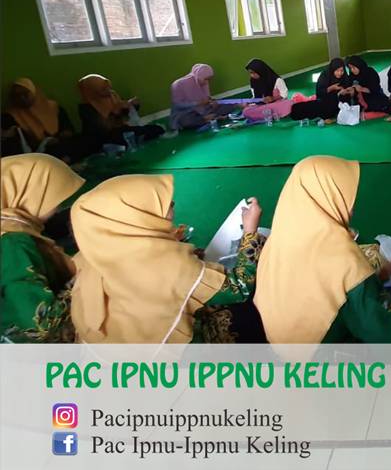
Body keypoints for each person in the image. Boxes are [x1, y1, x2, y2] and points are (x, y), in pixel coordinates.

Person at [254, 156, 391, 343]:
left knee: (372, 260)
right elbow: (387, 334)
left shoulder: (280, 234)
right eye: (342, 197)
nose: (352, 208)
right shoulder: (345, 262)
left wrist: (379, 275)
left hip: (277, 340)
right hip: (316, 355)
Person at [70, 175, 265, 343]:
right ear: (136, 217)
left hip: (110, 353)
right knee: (248, 314)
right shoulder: (168, 265)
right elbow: (239, 288)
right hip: (157, 362)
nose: (171, 203)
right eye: (155, 204)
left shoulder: (94, 253)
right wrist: (250, 231)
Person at [1, 154, 85, 342]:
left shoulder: (14, 230)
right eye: (54, 198)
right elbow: (40, 323)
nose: (59, 207)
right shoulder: (14, 243)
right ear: (28, 196)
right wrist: (84, 281)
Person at [3, 78, 95, 163]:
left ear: (34, 93)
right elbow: (19, 142)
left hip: (60, 142)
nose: (22, 98)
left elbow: (67, 128)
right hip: (37, 151)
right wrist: (44, 142)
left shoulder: (53, 107)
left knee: (84, 141)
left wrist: (63, 135)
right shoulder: (11, 115)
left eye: (25, 94)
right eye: (17, 96)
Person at [77, 74, 163, 149]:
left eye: (108, 87)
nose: (108, 90)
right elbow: (102, 129)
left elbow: (124, 117)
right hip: (104, 137)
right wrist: (115, 111)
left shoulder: (112, 95)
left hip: (121, 130)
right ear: (93, 91)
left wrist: (132, 105)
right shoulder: (86, 108)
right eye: (103, 89)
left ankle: (136, 138)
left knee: (156, 129)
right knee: (119, 139)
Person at [169, 64, 229, 130]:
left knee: (227, 106)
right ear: (199, 76)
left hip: (204, 110)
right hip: (186, 113)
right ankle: (208, 118)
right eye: (206, 79)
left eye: (209, 79)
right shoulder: (178, 84)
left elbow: (207, 98)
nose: (207, 82)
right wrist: (197, 103)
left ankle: (210, 118)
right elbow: (178, 105)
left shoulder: (203, 82)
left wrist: (212, 101)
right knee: (186, 121)